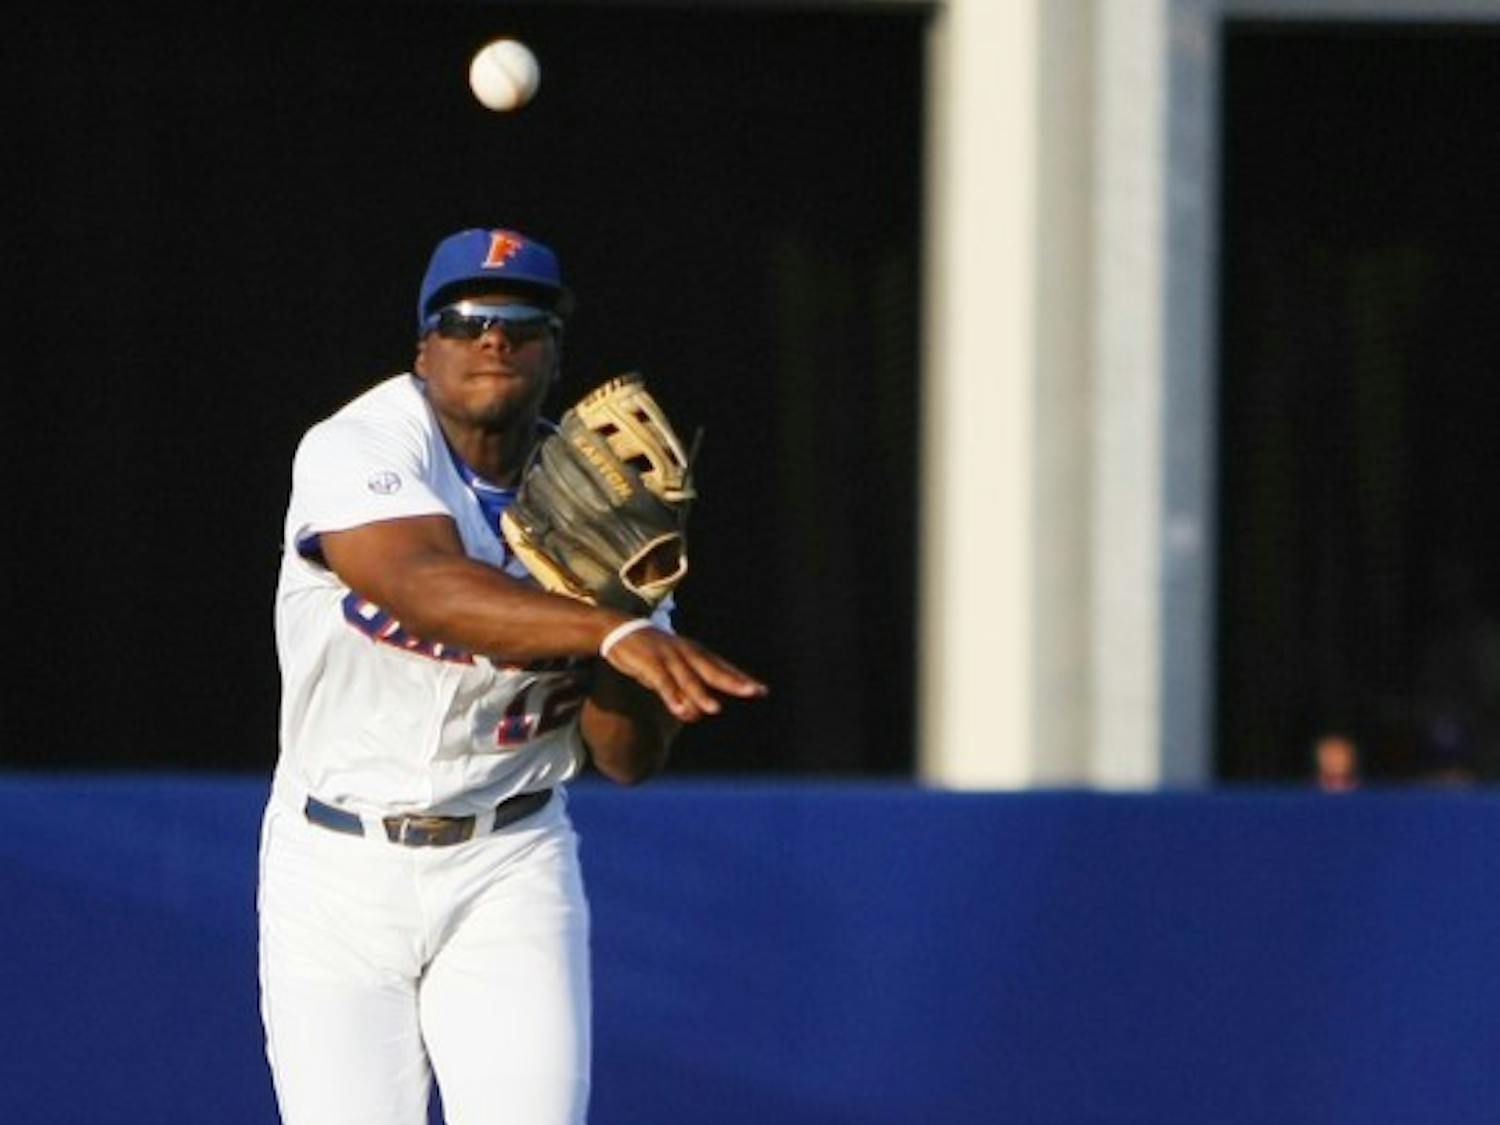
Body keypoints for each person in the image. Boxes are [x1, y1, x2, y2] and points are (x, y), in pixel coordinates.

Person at [257, 226, 767, 1125]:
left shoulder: (602, 498)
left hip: (508, 859)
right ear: (425, 346)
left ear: (555, 353)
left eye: (523, 323)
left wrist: (631, 598)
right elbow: (422, 586)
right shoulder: (359, 444)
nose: (494, 338)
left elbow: (625, 756)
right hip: (334, 864)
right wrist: (609, 631)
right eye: (467, 319)